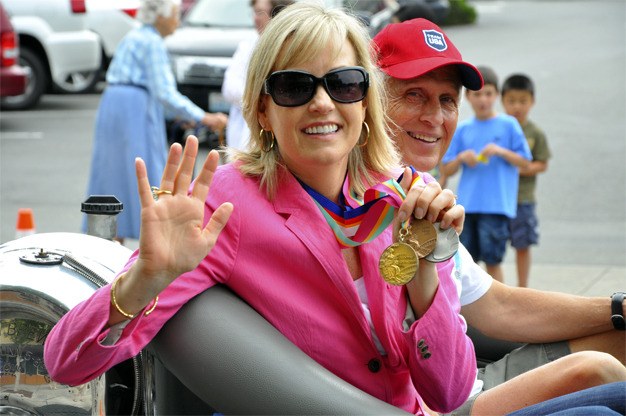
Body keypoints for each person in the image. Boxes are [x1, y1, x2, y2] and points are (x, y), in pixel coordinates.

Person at [44, 4, 477, 415]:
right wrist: (144, 279)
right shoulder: (226, 202)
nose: (323, 103)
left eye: (343, 83)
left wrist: (425, 269)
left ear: (365, 102)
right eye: (294, 86)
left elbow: (450, 390)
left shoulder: (407, 198)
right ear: (263, 111)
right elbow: (65, 362)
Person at [373, 17, 626, 416]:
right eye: (414, 95)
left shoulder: (421, 187)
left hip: (472, 377)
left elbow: (496, 305)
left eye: (447, 100)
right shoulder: (356, 201)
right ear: (369, 98)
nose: (435, 117)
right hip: (439, 401)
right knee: (597, 370)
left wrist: (618, 308)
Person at [84, 0, 228, 244]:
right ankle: (146, 242)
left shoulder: (135, 36)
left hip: (115, 105)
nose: (177, 20)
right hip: (133, 110)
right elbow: (164, 93)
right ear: (159, 16)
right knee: (145, 173)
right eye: (174, 13)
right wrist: (203, 117)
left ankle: (111, 237)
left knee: (112, 176)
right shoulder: (152, 43)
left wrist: (180, 116)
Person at [440, 65, 532, 283]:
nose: (483, 100)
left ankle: (499, 312)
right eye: (477, 94)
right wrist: (462, 158)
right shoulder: (462, 129)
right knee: (464, 264)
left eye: (488, 94)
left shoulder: (509, 125)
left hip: (497, 207)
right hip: (466, 208)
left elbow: (526, 162)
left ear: (497, 95)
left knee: (493, 261)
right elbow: (446, 169)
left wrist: (500, 151)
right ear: (468, 97)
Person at [221, 0, 293, 151]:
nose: (255, 18)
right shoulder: (247, 47)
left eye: (260, 12)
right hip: (244, 143)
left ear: (277, 13)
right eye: (254, 12)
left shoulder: (294, 48)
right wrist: (262, 99)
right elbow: (229, 87)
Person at [501, 73, 551, 288]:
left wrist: (519, 170)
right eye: (511, 101)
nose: (517, 107)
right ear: (503, 101)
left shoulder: (535, 133)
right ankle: (499, 289)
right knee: (495, 248)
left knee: (523, 244)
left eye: (523, 101)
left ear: (532, 102)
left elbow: (542, 163)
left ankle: (522, 287)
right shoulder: (498, 129)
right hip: (499, 200)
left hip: (523, 199)